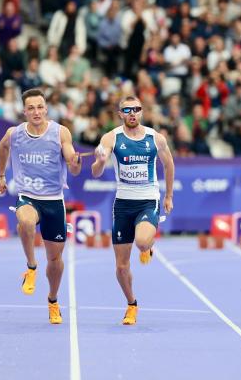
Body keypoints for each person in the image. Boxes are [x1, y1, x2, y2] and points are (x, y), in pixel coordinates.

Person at [0, 88, 82, 324]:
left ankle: (53, 300)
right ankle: (31, 267)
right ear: (24, 111)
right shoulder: (14, 134)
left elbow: (72, 166)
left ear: (46, 109)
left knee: (55, 262)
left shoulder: (60, 132)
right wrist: (1, 175)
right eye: (31, 108)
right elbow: (3, 148)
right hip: (28, 195)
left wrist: (75, 162)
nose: (36, 111)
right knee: (24, 220)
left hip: (54, 201)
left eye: (40, 107)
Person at [92, 96, 175, 325]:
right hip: (123, 205)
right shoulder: (111, 137)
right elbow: (96, 172)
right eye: (127, 110)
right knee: (120, 267)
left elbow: (169, 164)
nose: (132, 113)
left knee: (142, 241)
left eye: (136, 109)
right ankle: (131, 304)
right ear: (120, 114)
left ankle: (147, 246)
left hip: (148, 200)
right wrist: (100, 160)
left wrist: (168, 195)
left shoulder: (155, 138)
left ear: (142, 112)